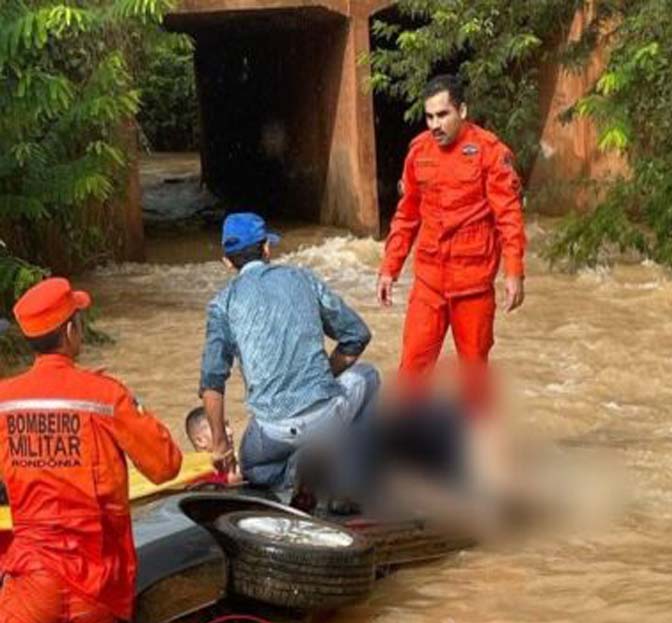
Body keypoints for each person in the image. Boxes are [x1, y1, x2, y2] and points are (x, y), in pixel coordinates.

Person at [0, 277, 183, 623]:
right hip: (95, 583)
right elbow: (166, 466)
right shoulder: (105, 396)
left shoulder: (6, 401)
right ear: (70, 331)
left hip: (30, 581)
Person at [199, 212, 380, 498]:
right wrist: (324, 374)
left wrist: (221, 444)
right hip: (325, 414)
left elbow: (212, 382)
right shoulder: (303, 278)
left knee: (255, 468)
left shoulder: (222, 304)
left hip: (273, 431)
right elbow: (356, 335)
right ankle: (351, 479)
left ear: (227, 261)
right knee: (369, 375)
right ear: (267, 249)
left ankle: (294, 470)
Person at [377, 74, 527, 410]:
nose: (435, 124)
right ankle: (408, 450)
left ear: (462, 110)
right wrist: (390, 268)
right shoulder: (419, 151)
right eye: (429, 116)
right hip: (429, 282)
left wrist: (514, 271)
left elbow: (509, 216)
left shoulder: (490, 151)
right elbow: (407, 214)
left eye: (442, 115)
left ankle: (478, 452)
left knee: (474, 380)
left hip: (473, 284)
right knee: (411, 374)